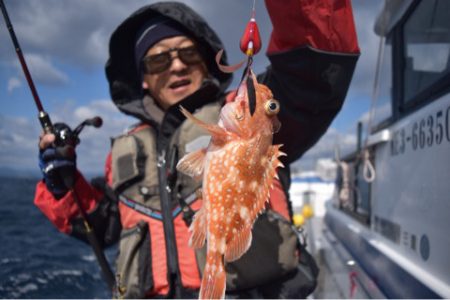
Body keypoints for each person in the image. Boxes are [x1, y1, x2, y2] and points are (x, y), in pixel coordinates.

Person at [35, 1, 360, 298]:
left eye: (188, 54)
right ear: (143, 78)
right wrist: (63, 185)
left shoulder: (251, 112)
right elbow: (104, 227)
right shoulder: (125, 151)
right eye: (159, 60)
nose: (176, 66)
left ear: (206, 63)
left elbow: (314, 71)